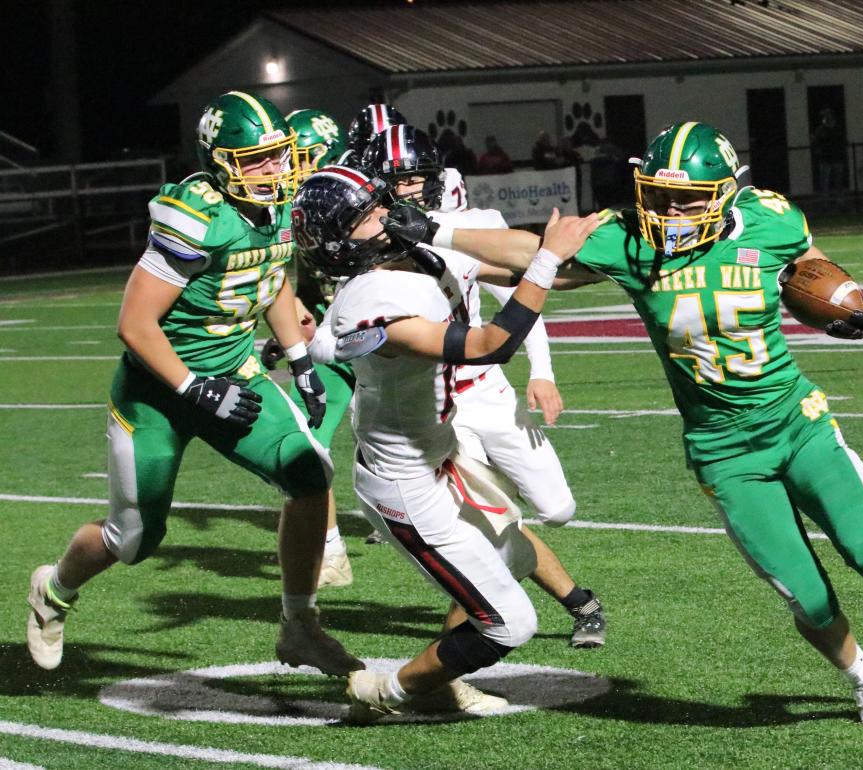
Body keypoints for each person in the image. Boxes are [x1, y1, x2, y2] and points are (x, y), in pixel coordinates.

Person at [388, 121, 863, 728]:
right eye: (660, 195)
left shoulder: (770, 218)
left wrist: (840, 299)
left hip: (795, 421)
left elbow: (811, 263)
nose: (671, 211)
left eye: (688, 198)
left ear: (726, 192)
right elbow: (526, 251)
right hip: (723, 450)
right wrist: (433, 228)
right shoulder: (628, 239)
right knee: (803, 592)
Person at [26, 91, 363, 678]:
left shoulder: (280, 205)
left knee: (310, 476)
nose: (272, 170)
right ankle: (52, 591)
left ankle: (300, 626)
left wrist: (300, 359)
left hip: (236, 374)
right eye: (254, 159)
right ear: (222, 162)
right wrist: (191, 389)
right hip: (158, 390)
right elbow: (134, 323)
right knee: (133, 536)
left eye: (277, 155)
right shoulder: (198, 214)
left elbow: (271, 277)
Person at [291, 165, 598, 721]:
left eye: (379, 203)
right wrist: (550, 259)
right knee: (512, 622)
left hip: (440, 456)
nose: (385, 215)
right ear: (337, 242)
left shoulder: (413, 255)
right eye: (365, 216)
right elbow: (488, 343)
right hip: (404, 485)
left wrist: (626, 261)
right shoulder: (369, 299)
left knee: (512, 550)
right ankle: (387, 692)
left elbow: (527, 259)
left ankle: (438, 680)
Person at [363, 123, 607, 648]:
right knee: (487, 528)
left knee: (557, 509)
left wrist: (614, 265)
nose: (410, 189)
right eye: (397, 180)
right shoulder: (361, 248)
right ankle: (484, 638)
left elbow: (529, 281)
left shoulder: (462, 229)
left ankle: (554, 602)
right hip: (435, 410)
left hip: (485, 386)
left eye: (418, 178)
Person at [259, 108, 355, 589]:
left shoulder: (357, 201)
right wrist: (291, 332)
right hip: (334, 347)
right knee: (305, 441)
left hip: (384, 343)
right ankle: (332, 550)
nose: (282, 166)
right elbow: (303, 283)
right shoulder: (287, 206)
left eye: (291, 155)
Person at [810, 108, 847, 198]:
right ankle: (826, 203)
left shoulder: (837, 128)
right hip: (825, 159)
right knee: (825, 183)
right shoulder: (821, 130)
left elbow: (843, 141)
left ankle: (840, 202)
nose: (827, 117)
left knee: (838, 182)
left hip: (837, 158)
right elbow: (815, 143)